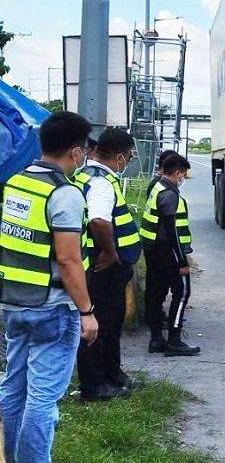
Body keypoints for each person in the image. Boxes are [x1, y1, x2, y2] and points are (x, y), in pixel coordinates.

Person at [0, 111, 99, 461]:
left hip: (14, 303)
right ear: (75, 152)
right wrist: (86, 312)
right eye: (85, 150)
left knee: (13, 390)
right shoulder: (64, 194)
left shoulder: (16, 183)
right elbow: (70, 261)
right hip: (53, 309)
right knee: (42, 398)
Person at [74, 128, 141, 400]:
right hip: (105, 268)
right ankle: (95, 385)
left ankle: (113, 375)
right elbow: (99, 221)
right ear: (120, 157)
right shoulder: (101, 183)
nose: (129, 161)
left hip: (107, 268)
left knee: (112, 323)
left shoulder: (86, 176)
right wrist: (111, 252)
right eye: (130, 156)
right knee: (102, 325)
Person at [139, 154, 200, 356]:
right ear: (176, 173)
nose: (183, 178)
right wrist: (182, 260)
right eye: (183, 175)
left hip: (153, 252)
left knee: (155, 294)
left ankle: (156, 339)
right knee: (182, 293)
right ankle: (174, 340)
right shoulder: (169, 195)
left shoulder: (157, 186)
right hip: (169, 253)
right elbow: (171, 231)